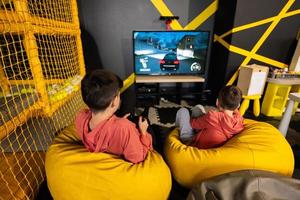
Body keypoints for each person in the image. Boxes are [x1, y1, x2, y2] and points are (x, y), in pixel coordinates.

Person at [75, 69, 153, 164]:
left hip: (117, 133)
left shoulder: (81, 117)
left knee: (130, 117)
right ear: (115, 101)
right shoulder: (124, 128)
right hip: (134, 140)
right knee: (149, 125)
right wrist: (143, 133)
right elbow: (139, 157)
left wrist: (118, 122)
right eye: (119, 95)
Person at [175, 85, 244, 149]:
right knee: (198, 108)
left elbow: (193, 124)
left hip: (194, 145)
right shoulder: (239, 120)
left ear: (217, 102)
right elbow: (237, 113)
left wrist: (197, 119)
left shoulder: (213, 116)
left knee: (183, 111)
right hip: (215, 147)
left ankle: (177, 132)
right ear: (238, 105)